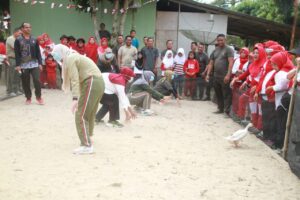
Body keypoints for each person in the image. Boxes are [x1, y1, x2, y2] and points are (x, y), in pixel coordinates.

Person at [51, 44, 105, 155]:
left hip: (91, 81)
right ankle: (89, 138)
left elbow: (74, 79)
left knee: (80, 114)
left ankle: (86, 145)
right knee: (89, 113)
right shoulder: (74, 56)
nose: (55, 57)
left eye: (55, 53)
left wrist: (75, 98)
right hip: (98, 82)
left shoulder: (71, 58)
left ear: (61, 51)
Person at [231, 44, 266, 132]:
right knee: (251, 105)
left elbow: (263, 78)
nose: (255, 55)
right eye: (254, 53)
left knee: (259, 109)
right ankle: (251, 123)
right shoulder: (253, 64)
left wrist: (257, 87)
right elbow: (247, 74)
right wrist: (237, 79)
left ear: (262, 54)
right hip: (252, 89)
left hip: (259, 90)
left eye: (257, 53)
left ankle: (258, 127)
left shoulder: (264, 65)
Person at [254, 44, 285, 143]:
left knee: (272, 119)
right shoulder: (268, 69)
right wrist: (257, 92)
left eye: (270, 54)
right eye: (267, 54)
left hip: (272, 98)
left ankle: (271, 139)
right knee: (266, 117)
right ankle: (266, 135)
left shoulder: (278, 71)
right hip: (264, 97)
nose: (268, 56)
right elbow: (262, 81)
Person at [267, 51, 294, 149]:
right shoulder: (288, 70)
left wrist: (271, 88)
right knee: (282, 123)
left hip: (281, 103)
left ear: (281, 62)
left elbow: (282, 86)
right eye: (272, 64)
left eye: (275, 64)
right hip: (285, 102)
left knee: (280, 124)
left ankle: (278, 144)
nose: (273, 67)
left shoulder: (281, 73)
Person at [14, 22, 44, 105]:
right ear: (22, 29)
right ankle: (28, 98)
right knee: (25, 82)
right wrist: (18, 65)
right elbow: (17, 53)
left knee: (37, 80)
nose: (29, 29)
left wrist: (40, 63)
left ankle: (39, 97)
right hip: (23, 64)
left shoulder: (34, 39)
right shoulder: (18, 40)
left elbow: (38, 52)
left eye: (30, 27)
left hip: (34, 63)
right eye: (26, 27)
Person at [206, 34, 234, 115]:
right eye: (218, 40)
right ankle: (220, 108)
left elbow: (231, 62)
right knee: (218, 93)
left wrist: (228, 75)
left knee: (226, 94)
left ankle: (227, 111)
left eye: (222, 40)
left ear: (225, 40)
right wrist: (208, 74)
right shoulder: (215, 50)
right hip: (216, 76)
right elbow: (211, 63)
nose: (220, 41)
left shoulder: (229, 49)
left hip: (224, 76)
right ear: (216, 41)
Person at [231, 47, 249, 118]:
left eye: (244, 53)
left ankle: (241, 114)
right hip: (236, 80)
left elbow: (247, 71)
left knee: (241, 98)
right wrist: (237, 72)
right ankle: (234, 112)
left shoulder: (248, 61)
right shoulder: (237, 60)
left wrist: (242, 72)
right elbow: (233, 70)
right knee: (235, 97)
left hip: (243, 82)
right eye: (241, 52)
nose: (242, 54)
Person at [5, 27, 22, 96]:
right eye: (19, 33)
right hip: (11, 59)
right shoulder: (10, 38)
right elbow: (16, 48)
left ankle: (16, 90)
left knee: (17, 75)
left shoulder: (18, 39)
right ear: (15, 32)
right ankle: (10, 91)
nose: (20, 34)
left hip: (17, 59)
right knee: (11, 75)